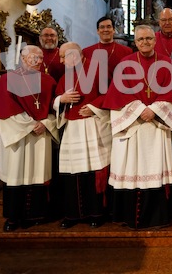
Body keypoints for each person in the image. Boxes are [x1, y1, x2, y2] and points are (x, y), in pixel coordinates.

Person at [100, 25, 172, 229]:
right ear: (134, 42)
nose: (145, 42)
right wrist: (139, 110)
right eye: (140, 39)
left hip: (155, 126)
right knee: (131, 168)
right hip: (133, 126)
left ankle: (156, 218)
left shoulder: (166, 63)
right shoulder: (125, 63)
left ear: (155, 40)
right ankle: (129, 217)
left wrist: (153, 110)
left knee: (153, 169)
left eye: (149, 38)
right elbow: (117, 94)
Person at [0, 45, 58, 232]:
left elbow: (54, 110)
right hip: (18, 135)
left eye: (41, 58)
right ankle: (13, 217)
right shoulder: (8, 79)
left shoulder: (48, 81)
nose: (39, 61)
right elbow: (5, 110)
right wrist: (30, 125)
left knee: (37, 174)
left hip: (41, 135)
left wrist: (47, 124)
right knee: (16, 174)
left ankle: (36, 215)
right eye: (35, 57)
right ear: (23, 58)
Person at [54, 42, 111, 229]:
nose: (61, 61)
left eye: (63, 57)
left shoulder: (97, 69)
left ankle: (96, 213)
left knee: (93, 171)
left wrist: (93, 108)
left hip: (92, 126)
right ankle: (73, 214)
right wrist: (61, 100)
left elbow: (109, 94)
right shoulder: (65, 77)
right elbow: (56, 98)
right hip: (72, 129)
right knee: (72, 172)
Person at [82, 15, 133, 81]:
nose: (105, 30)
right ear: (98, 31)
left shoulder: (127, 51)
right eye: (102, 27)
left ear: (114, 30)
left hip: (118, 89)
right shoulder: (86, 52)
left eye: (108, 27)